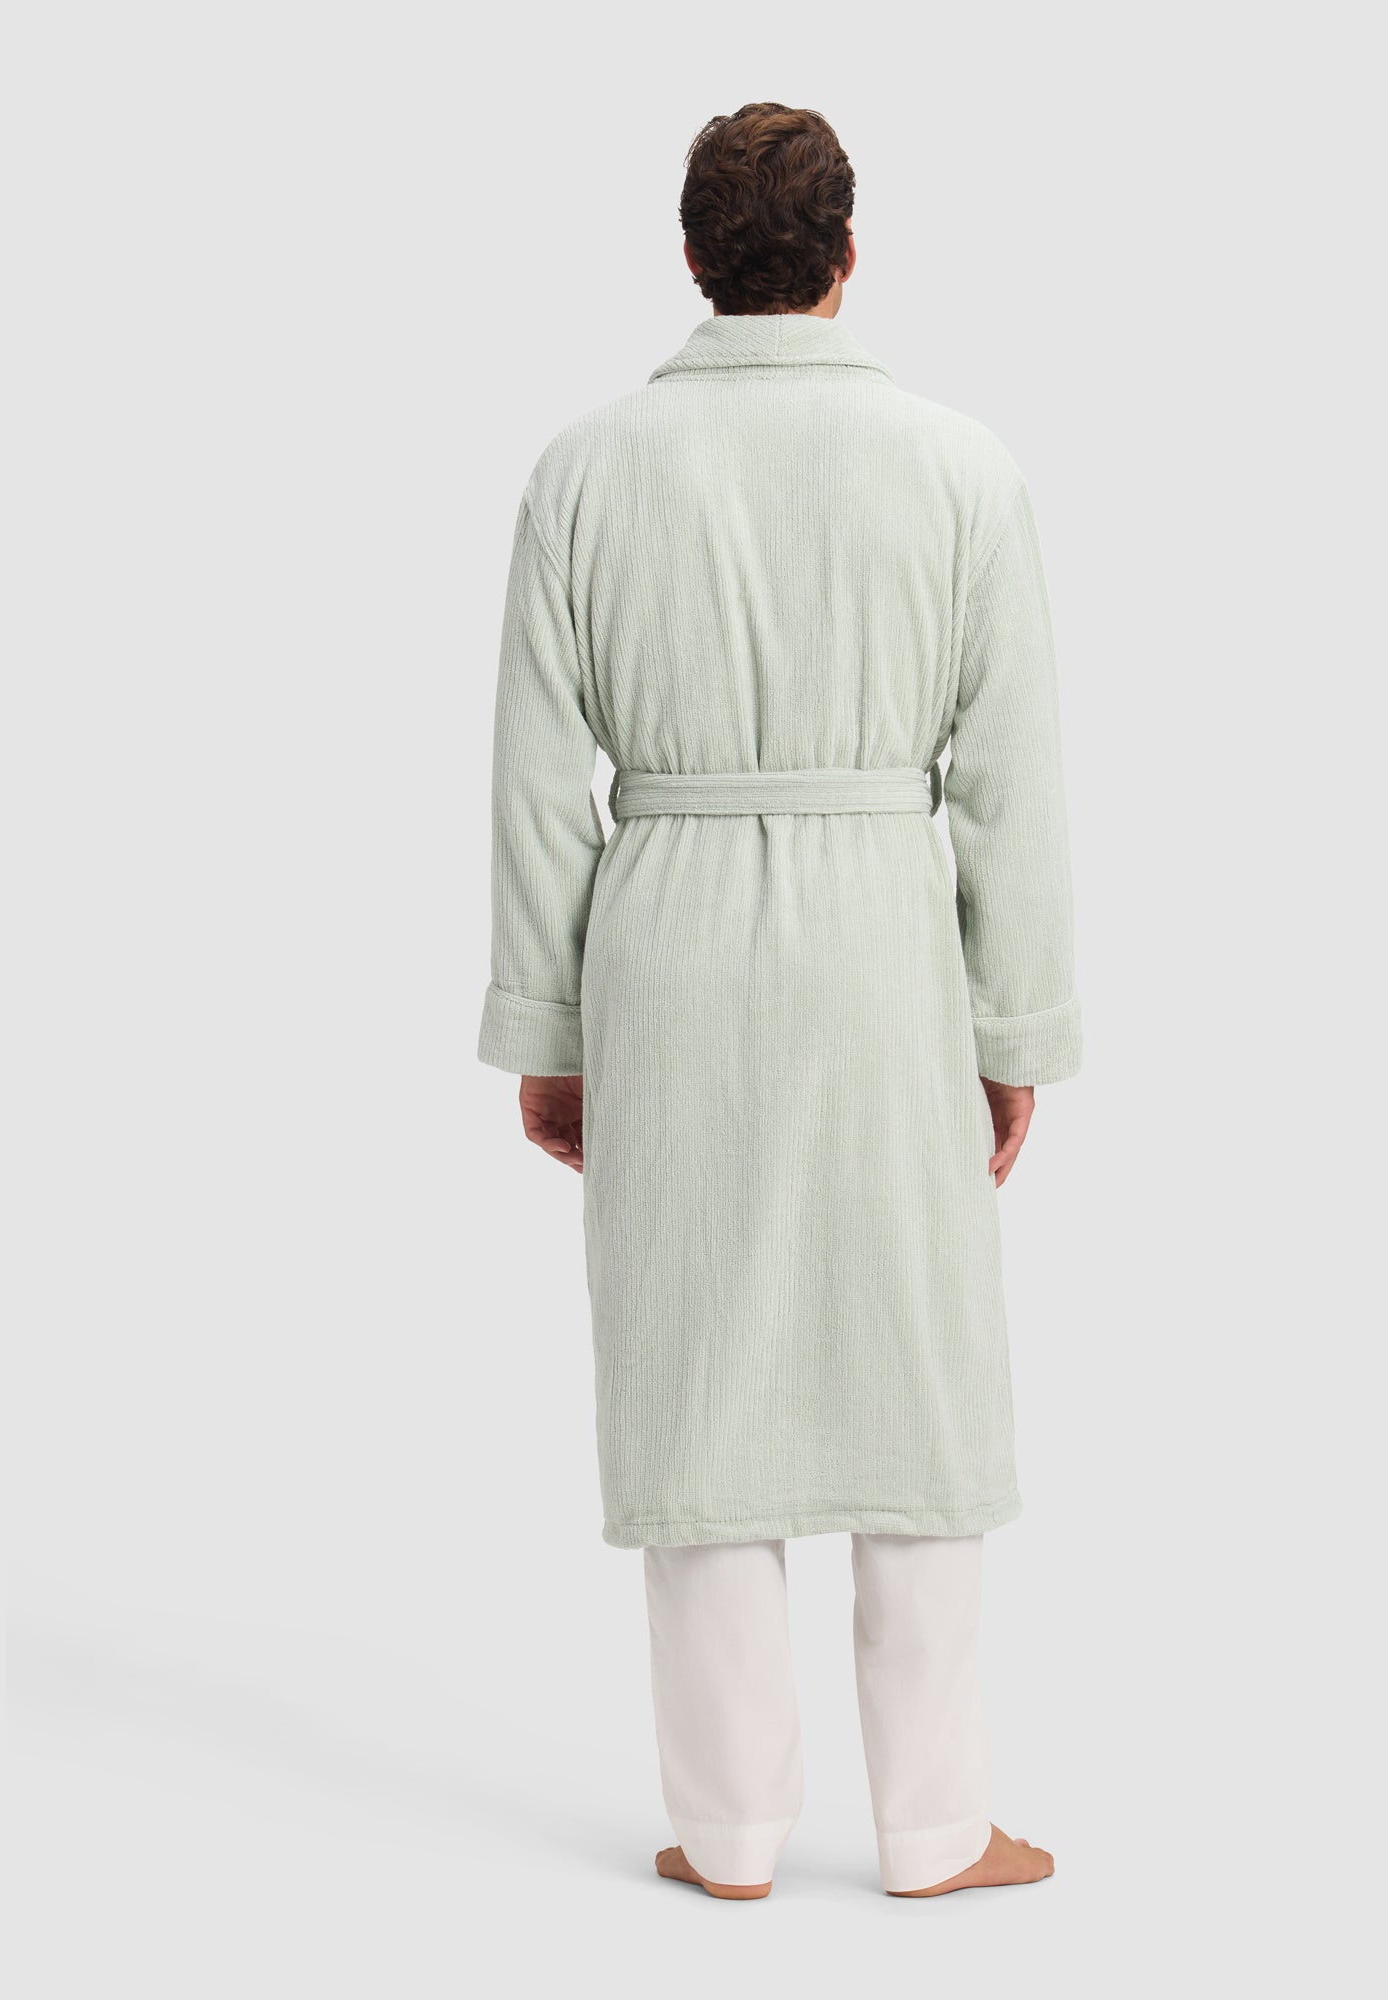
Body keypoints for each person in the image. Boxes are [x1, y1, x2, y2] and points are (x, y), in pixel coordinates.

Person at [479, 102, 1080, 1899]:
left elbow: (537, 789)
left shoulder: (585, 472)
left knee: (697, 1367)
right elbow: (1015, 787)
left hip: (664, 947)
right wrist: (1012, 1032)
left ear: (691, 257)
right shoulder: (960, 469)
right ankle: (936, 1828)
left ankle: (730, 1833)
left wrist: (551, 1034)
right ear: (846, 257)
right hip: (887, 949)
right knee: (918, 1365)